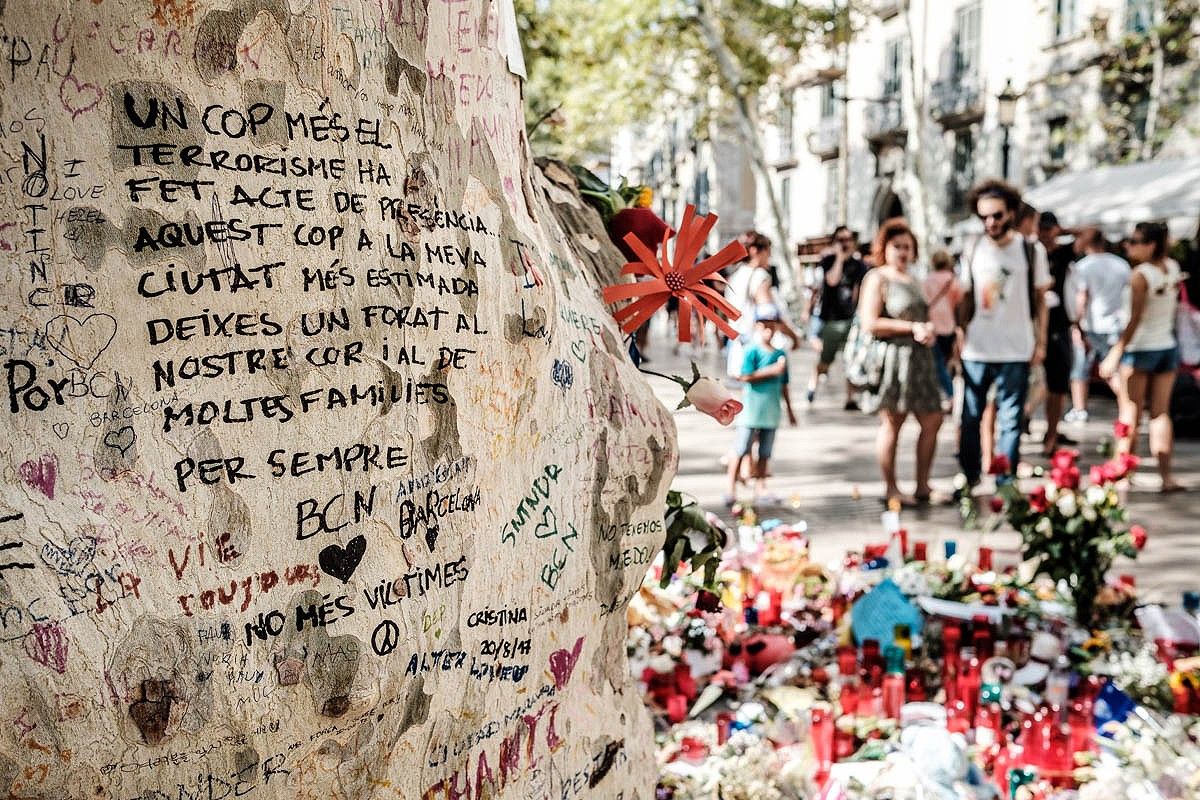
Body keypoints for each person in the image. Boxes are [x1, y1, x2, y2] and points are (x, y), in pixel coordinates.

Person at [956, 179, 1052, 490]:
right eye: (984, 217)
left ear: (1011, 212)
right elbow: (965, 296)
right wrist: (959, 335)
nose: (991, 223)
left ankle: (1004, 483)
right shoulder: (972, 248)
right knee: (970, 416)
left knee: (1011, 421)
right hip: (977, 348)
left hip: (1016, 347)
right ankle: (970, 477)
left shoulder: (1030, 250)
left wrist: (1041, 342)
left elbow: (1041, 300)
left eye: (997, 215)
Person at [857, 218, 944, 507]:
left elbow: (921, 316)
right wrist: (911, 328)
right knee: (893, 422)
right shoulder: (877, 278)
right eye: (897, 246)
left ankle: (922, 484)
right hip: (893, 358)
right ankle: (891, 487)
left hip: (920, 358)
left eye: (907, 247)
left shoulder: (914, 278)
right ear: (885, 247)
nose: (903, 252)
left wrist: (927, 330)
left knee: (933, 418)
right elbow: (869, 322)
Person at [1100, 221, 1185, 493]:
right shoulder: (1171, 269)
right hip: (1166, 346)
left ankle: (1122, 473)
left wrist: (1115, 353)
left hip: (1139, 350)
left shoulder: (1141, 275)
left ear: (1151, 245)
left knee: (1130, 412)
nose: (1129, 246)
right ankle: (1166, 476)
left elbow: (1134, 319)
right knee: (1161, 413)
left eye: (1135, 241)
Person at [725, 305, 797, 505]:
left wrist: (790, 411)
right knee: (741, 448)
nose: (768, 331)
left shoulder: (780, 355)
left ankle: (761, 487)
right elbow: (745, 376)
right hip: (750, 411)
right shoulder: (752, 351)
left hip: (771, 411)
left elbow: (785, 385)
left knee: (765, 452)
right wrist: (771, 371)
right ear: (757, 326)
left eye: (771, 326)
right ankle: (730, 487)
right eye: (764, 326)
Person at [1066, 227, 1130, 422]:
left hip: (1091, 326)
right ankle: (1126, 404)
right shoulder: (1122, 265)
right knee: (1113, 369)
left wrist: (1076, 324)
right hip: (1116, 324)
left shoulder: (1084, 267)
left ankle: (1080, 409)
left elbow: (1082, 297)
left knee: (1081, 369)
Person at [805, 225, 868, 409]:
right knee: (826, 360)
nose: (845, 243)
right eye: (841, 239)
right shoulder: (828, 261)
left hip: (850, 318)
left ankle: (850, 398)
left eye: (848, 239)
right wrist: (839, 258)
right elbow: (832, 280)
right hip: (831, 319)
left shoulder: (859, 266)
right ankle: (812, 385)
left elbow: (859, 291)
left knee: (851, 358)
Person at [726, 233, 798, 379]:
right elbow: (769, 314)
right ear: (755, 251)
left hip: (738, 347)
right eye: (768, 251)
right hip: (759, 351)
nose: (769, 257)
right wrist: (793, 336)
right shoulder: (760, 276)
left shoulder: (735, 277)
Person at [1036, 211, 1078, 454]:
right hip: (1033, 326)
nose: (1045, 233)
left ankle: (1051, 435)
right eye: (1042, 228)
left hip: (1058, 325)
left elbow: (1090, 232)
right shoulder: (1030, 252)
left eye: (1049, 229)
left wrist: (1061, 232)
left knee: (1057, 385)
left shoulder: (1062, 253)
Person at [922, 249, 962, 406]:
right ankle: (950, 394)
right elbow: (959, 304)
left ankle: (950, 395)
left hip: (932, 327)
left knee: (937, 364)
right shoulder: (953, 281)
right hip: (949, 327)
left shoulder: (926, 281)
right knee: (944, 363)